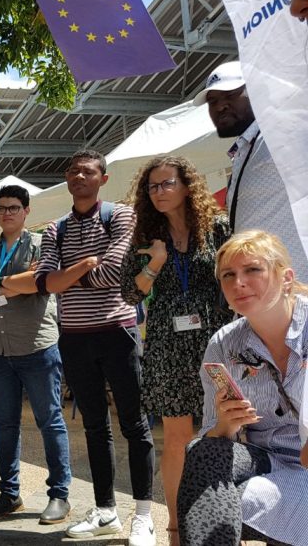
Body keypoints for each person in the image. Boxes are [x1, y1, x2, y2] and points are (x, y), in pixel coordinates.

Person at [33, 150, 156, 545]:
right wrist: (77, 270)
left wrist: (72, 274)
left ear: (103, 179)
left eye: (88, 171)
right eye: (73, 171)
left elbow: (110, 272)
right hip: (74, 336)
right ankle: (105, 510)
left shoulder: (120, 215)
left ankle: (143, 515)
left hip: (117, 332)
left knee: (134, 425)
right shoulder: (56, 228)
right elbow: (47, 283)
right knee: (93, 425)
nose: (79, 176)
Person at [119, 156, 232, 545]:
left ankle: (225, 522)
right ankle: (176, 525)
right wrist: (156, 264)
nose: (159, 192)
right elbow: (130, 293)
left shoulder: (216, 230)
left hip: (215, 340)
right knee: (177, 437)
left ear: (187, 186)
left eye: (167, 184)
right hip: (167, 343)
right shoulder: (145, 236)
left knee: (225, 430)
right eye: (152, 186)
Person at [177, 230, 308, 546]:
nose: (239, 283)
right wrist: (225, 425)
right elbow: (212, 432)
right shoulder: (223, 343)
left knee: (219, 503)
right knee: (203, 450)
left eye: (253, 270)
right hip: (265, 460)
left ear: (286, 278)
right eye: (228, 275)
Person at [0, 185, 72, 524]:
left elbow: (41, 283)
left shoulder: (44, 244)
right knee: (5, 424)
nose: (7, 213)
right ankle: (9, 494)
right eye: (1, 208)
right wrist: (13, 283)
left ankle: (59, 495)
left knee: (50, 421)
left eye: (13, 207)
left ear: (27, 210)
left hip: (37, 345)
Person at [194, 61, 308, 280]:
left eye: (231, 94)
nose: (220, 106)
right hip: (266, 291)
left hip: (297, 287)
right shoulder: (247, 147)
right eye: (212, 100)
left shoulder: (284, 132)